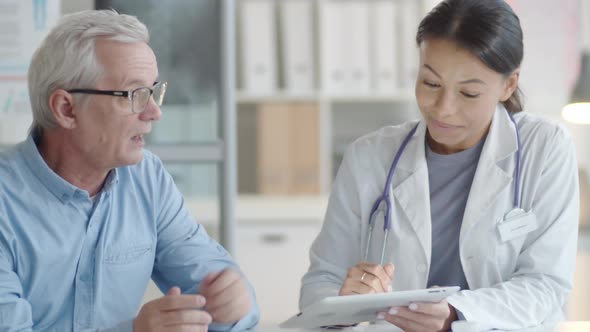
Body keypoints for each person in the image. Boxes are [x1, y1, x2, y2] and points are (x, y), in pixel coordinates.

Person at [300, 0, 579, 331]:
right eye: (431, 83)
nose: (443, 109)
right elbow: (321, 284)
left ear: (509, 84)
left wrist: (454, 313)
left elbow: (545, 285)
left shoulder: (544, 148)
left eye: (469, 93)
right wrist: (344, 302)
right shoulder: (369, 157)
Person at [0, 10, 258, 332]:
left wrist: (233, 299)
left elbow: (217, 281)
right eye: (134, 95)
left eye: (153, 91)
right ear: (66, 109)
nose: (154, 112)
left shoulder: (146, 179)